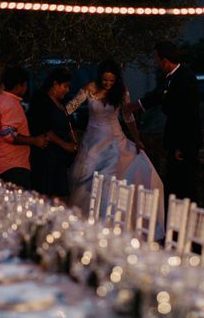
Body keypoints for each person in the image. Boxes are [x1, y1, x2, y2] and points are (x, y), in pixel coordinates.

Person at [66, 60, 165, 237]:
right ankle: (86, 225)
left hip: (114, 140)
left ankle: (110, 223)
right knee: (87, 179)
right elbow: (70, 108)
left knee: (111, 181)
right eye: (105, 80)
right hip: (92, 141)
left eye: (111, 81)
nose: (108, 84)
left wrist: (137, 139)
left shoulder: (122, 91)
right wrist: (66, 127)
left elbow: (128, 116)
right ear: (99, 77)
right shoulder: (90, 87)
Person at [126, 41, 203, 201]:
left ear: (164, 60)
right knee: (175, 184)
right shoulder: (172, 77)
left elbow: (186, 114)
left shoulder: (184, 78)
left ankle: (184, 220)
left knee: (183, 185)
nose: (156, 63)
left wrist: (181, 145)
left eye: (156, 59)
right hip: (177, 140)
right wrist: (137, 105)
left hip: (184, 142)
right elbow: (159, 95)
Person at [0, 66, 48, 189]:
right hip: (13, 168)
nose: (26, 88)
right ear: (19, 85)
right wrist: (35, 141)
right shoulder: (10, 104)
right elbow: (9, 135)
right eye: (25, 85)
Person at [26, 67, 78, 198]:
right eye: (65, 86)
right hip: (46, 156)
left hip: (59, 157)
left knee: (60, 196)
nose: (67, 90)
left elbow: (68, 124)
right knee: (46, 195)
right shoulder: (42, 100)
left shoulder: (61, 103)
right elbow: (44, 129)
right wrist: (65, 145)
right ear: (55, 84)